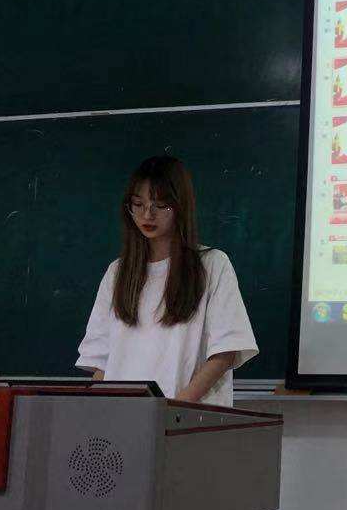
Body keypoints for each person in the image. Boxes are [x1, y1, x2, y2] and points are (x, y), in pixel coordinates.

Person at [77, 156, 257, 406]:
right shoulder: (117, 272)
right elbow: (101, 362)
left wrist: (173, 408)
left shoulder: (212, 265)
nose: (147, 214)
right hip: (122, 417)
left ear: (181, 206)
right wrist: (98, 410)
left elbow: (225, 352)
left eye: (160, 205)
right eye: (138, 204)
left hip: (185, 416)